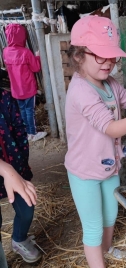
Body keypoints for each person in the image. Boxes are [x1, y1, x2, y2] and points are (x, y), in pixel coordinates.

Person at [64, 16, 126, 268]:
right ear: (78, 56)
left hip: (109, 165)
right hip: (84, 172)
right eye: (100, 56)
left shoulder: (109, 83)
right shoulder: (82, 92)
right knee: (93, 225)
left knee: (111, 214)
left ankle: (106, 249)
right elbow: (111, 128)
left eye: (112, 56)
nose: (108, 63)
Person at [0, 87, 41, 264]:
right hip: (6, 169)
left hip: (14, 168)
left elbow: (19, 131)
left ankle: (19, 238)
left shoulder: (5, 98)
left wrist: (21, 168)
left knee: (27, 207)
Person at [3, 23, 47, 142]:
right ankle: (32, 133)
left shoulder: (5, 51)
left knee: (22, 110)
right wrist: (38, 56)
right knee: (30, 111)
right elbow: (36, 68)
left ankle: (25, 133)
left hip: (16, 89)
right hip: (28, 87)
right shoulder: (25, 52)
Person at [0, 159, 37, 268]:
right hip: (8, 168)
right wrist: (4, 169)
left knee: (27, 206)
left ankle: (19, 239)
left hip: (14, 161)